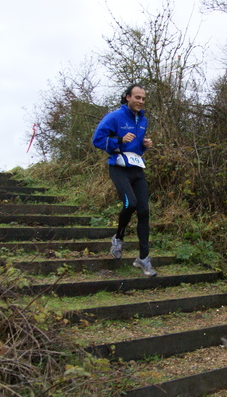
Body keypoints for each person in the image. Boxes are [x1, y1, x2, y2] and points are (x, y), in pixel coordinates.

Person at [92, 84, 157, 277]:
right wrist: (119, 140)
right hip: (119, 168)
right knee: (131, 204)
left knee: (144, 210)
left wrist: (145, 145)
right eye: (137, 97)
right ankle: (118, 238)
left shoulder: (143, 120)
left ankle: (143, 259)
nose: (140, 101)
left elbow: (136, 147)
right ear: (127, 97)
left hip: (137, 168)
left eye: (143, 99)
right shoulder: (114, 117)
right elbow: (97, 140)